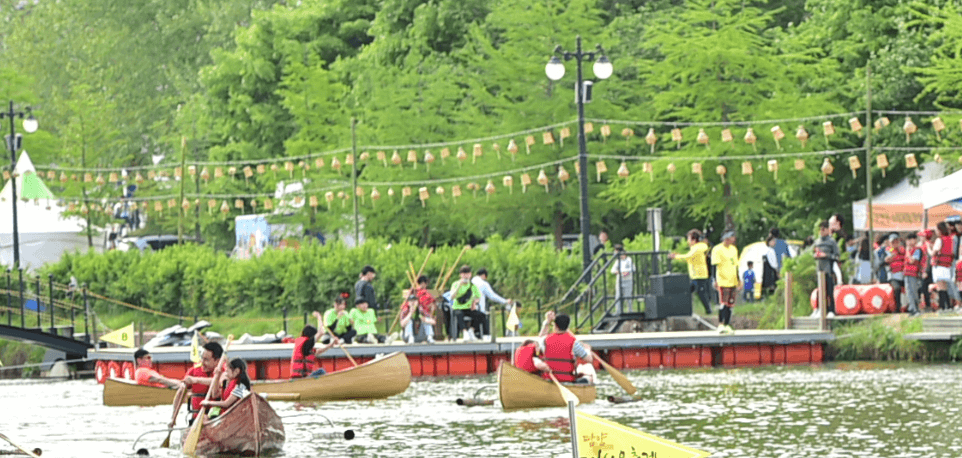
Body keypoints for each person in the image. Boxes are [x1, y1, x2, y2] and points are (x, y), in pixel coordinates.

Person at [171, 341, 223, 427]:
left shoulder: (225, 371)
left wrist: (196, 380)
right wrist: (173, 418)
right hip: (197, 418)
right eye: (202, 358)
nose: (202, 362)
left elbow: (220, 381)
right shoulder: (194, 371)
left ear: (217, 361)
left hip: (218, 419)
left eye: (206, 360)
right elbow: (181, 392)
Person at [538, 311, 593, 383]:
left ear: (555, 325)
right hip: (567, 380)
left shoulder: (545, 340)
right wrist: (587, 349)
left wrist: (547, 322)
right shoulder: (574, 342)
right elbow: (589, 360)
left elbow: (540, 337)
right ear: (568, 326)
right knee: (590, 378)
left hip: (550, 380)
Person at [669, 229, 712, 314]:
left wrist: (676, 257)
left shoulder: (697, 248)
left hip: (700, 275)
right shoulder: (696, 248)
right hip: (694, 275)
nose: (687, 241)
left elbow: (688, 257)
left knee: (701, 293)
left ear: (694, 240)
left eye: (689, 239)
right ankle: (682, 309)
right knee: (687, 292)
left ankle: (708, 310)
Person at [291, 313, 338, 378]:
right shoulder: (306, 344)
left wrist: (331, 345)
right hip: (301, 379)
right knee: (321, 371)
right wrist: (319, 317)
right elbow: (321, 332)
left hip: (302, 378)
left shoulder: (305, 346)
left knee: (319, 371)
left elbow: (318, 351)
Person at [711, 231, 740, 334]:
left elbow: (736, 265)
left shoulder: (733, 249)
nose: (733, 239)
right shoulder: (717, 249)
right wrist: (714, 279)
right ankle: (721, 324)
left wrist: (738, 279)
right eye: (732, 237)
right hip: (722, 280)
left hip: (732, 280)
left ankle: (727, 324)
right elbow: (714, 265)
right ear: (726, 238)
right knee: (723, 303)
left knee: (730, 304)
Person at [472, 268, 512, 339]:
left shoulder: (471, 281)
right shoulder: (483, 283)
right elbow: (492, 296)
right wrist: (505, 301)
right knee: (485, 333)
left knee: (474, 332)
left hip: (469, 310)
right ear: (484, 275)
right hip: (480, 310)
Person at [448, 265, 483, 342]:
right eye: (464, 274)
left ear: (470, 274)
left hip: (468, 308)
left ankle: (471, 331)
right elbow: (452, 297)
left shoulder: (472, 285)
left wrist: (474, 302)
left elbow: (478, 296)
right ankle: (465, 332)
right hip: (457, 307)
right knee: (459, 314)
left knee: (480, 315)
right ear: (460, 275)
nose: (466, 276)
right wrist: (459, 286)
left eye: (467, 274)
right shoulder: (455, 284)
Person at [813, 221, 839, 317]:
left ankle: (831, 310)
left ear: (828, 230)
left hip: (829, 269)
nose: (822, 231)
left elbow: (837, 256)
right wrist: (816, 255)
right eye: (820, 229)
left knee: (829, 290)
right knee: (820, 291)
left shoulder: (832, 242)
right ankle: (819, 309)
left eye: (824, 229)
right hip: (819, 270)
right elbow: (813, 253)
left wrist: (826, 255)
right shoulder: (817, 242)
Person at [929, 222, 955, 311]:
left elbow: (933, 253)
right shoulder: (950, 239)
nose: (936, 231)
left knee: (940, 287)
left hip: (939, 265)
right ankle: (948, 306)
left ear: (940, 230)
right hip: (947, 266)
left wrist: (929, 248)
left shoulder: (939, 240)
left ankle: (943, 307)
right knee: (945, 287)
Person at [610, 244, 635, 314]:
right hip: (620, 280)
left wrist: (624, 273)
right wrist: (617, 272)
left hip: (628, 280)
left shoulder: (628, 260)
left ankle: (630, 310)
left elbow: (631, 270)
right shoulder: (618, 261)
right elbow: (613, 270)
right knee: (618, 296)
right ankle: (618, 311)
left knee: (628, 296)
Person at [884, 233, 905, 313]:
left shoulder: (902, 249)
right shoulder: (889, 249)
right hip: (893, 276)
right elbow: (887, 258)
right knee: (897, 288)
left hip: (903, 275)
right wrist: (892, 255)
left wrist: (900, 250)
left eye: (896, 241)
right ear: (890, 243)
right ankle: (897, 308)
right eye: (893, 242)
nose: (895, 243)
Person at [903, 233, 924, 316]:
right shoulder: (908, 250)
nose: (907, 242)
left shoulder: (917, 250)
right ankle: (912, 309)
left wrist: (907, 252)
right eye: (907, 240)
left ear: (914, 240)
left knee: (913, 291)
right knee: (909, 292)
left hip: (913, 273)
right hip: (907, 273)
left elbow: (912, 260)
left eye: (909, 240)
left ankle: (915, 309)